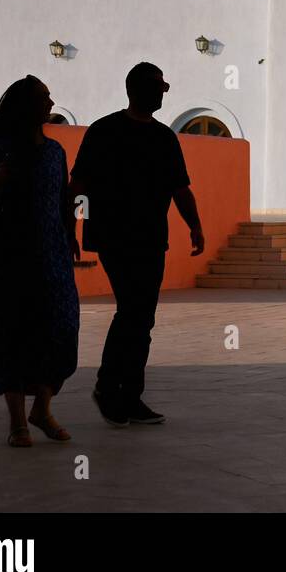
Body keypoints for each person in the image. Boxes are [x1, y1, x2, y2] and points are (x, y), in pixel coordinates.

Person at [70, 62, 204, 428]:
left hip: (149, 240)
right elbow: (78, 183)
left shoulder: (164, 138)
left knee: (141, 317)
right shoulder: (104, 131)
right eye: (160, 85)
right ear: (140, 89)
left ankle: (129, 395)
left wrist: (194, 225)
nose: (165, 91)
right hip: (114, 238)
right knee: (132, 312)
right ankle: (108, 389)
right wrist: (71, 227)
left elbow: (180, 188)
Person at [0, 75, 80, 447]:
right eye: (43, 98)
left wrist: (71, 236)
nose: (50, 104)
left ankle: (43, 408)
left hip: (53, 258)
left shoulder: (55, 152)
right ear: (26, 106)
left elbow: (64, 198)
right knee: (12, 335)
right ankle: (18, 421)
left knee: (60, 331)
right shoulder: (1, 150)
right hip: (10, 258)